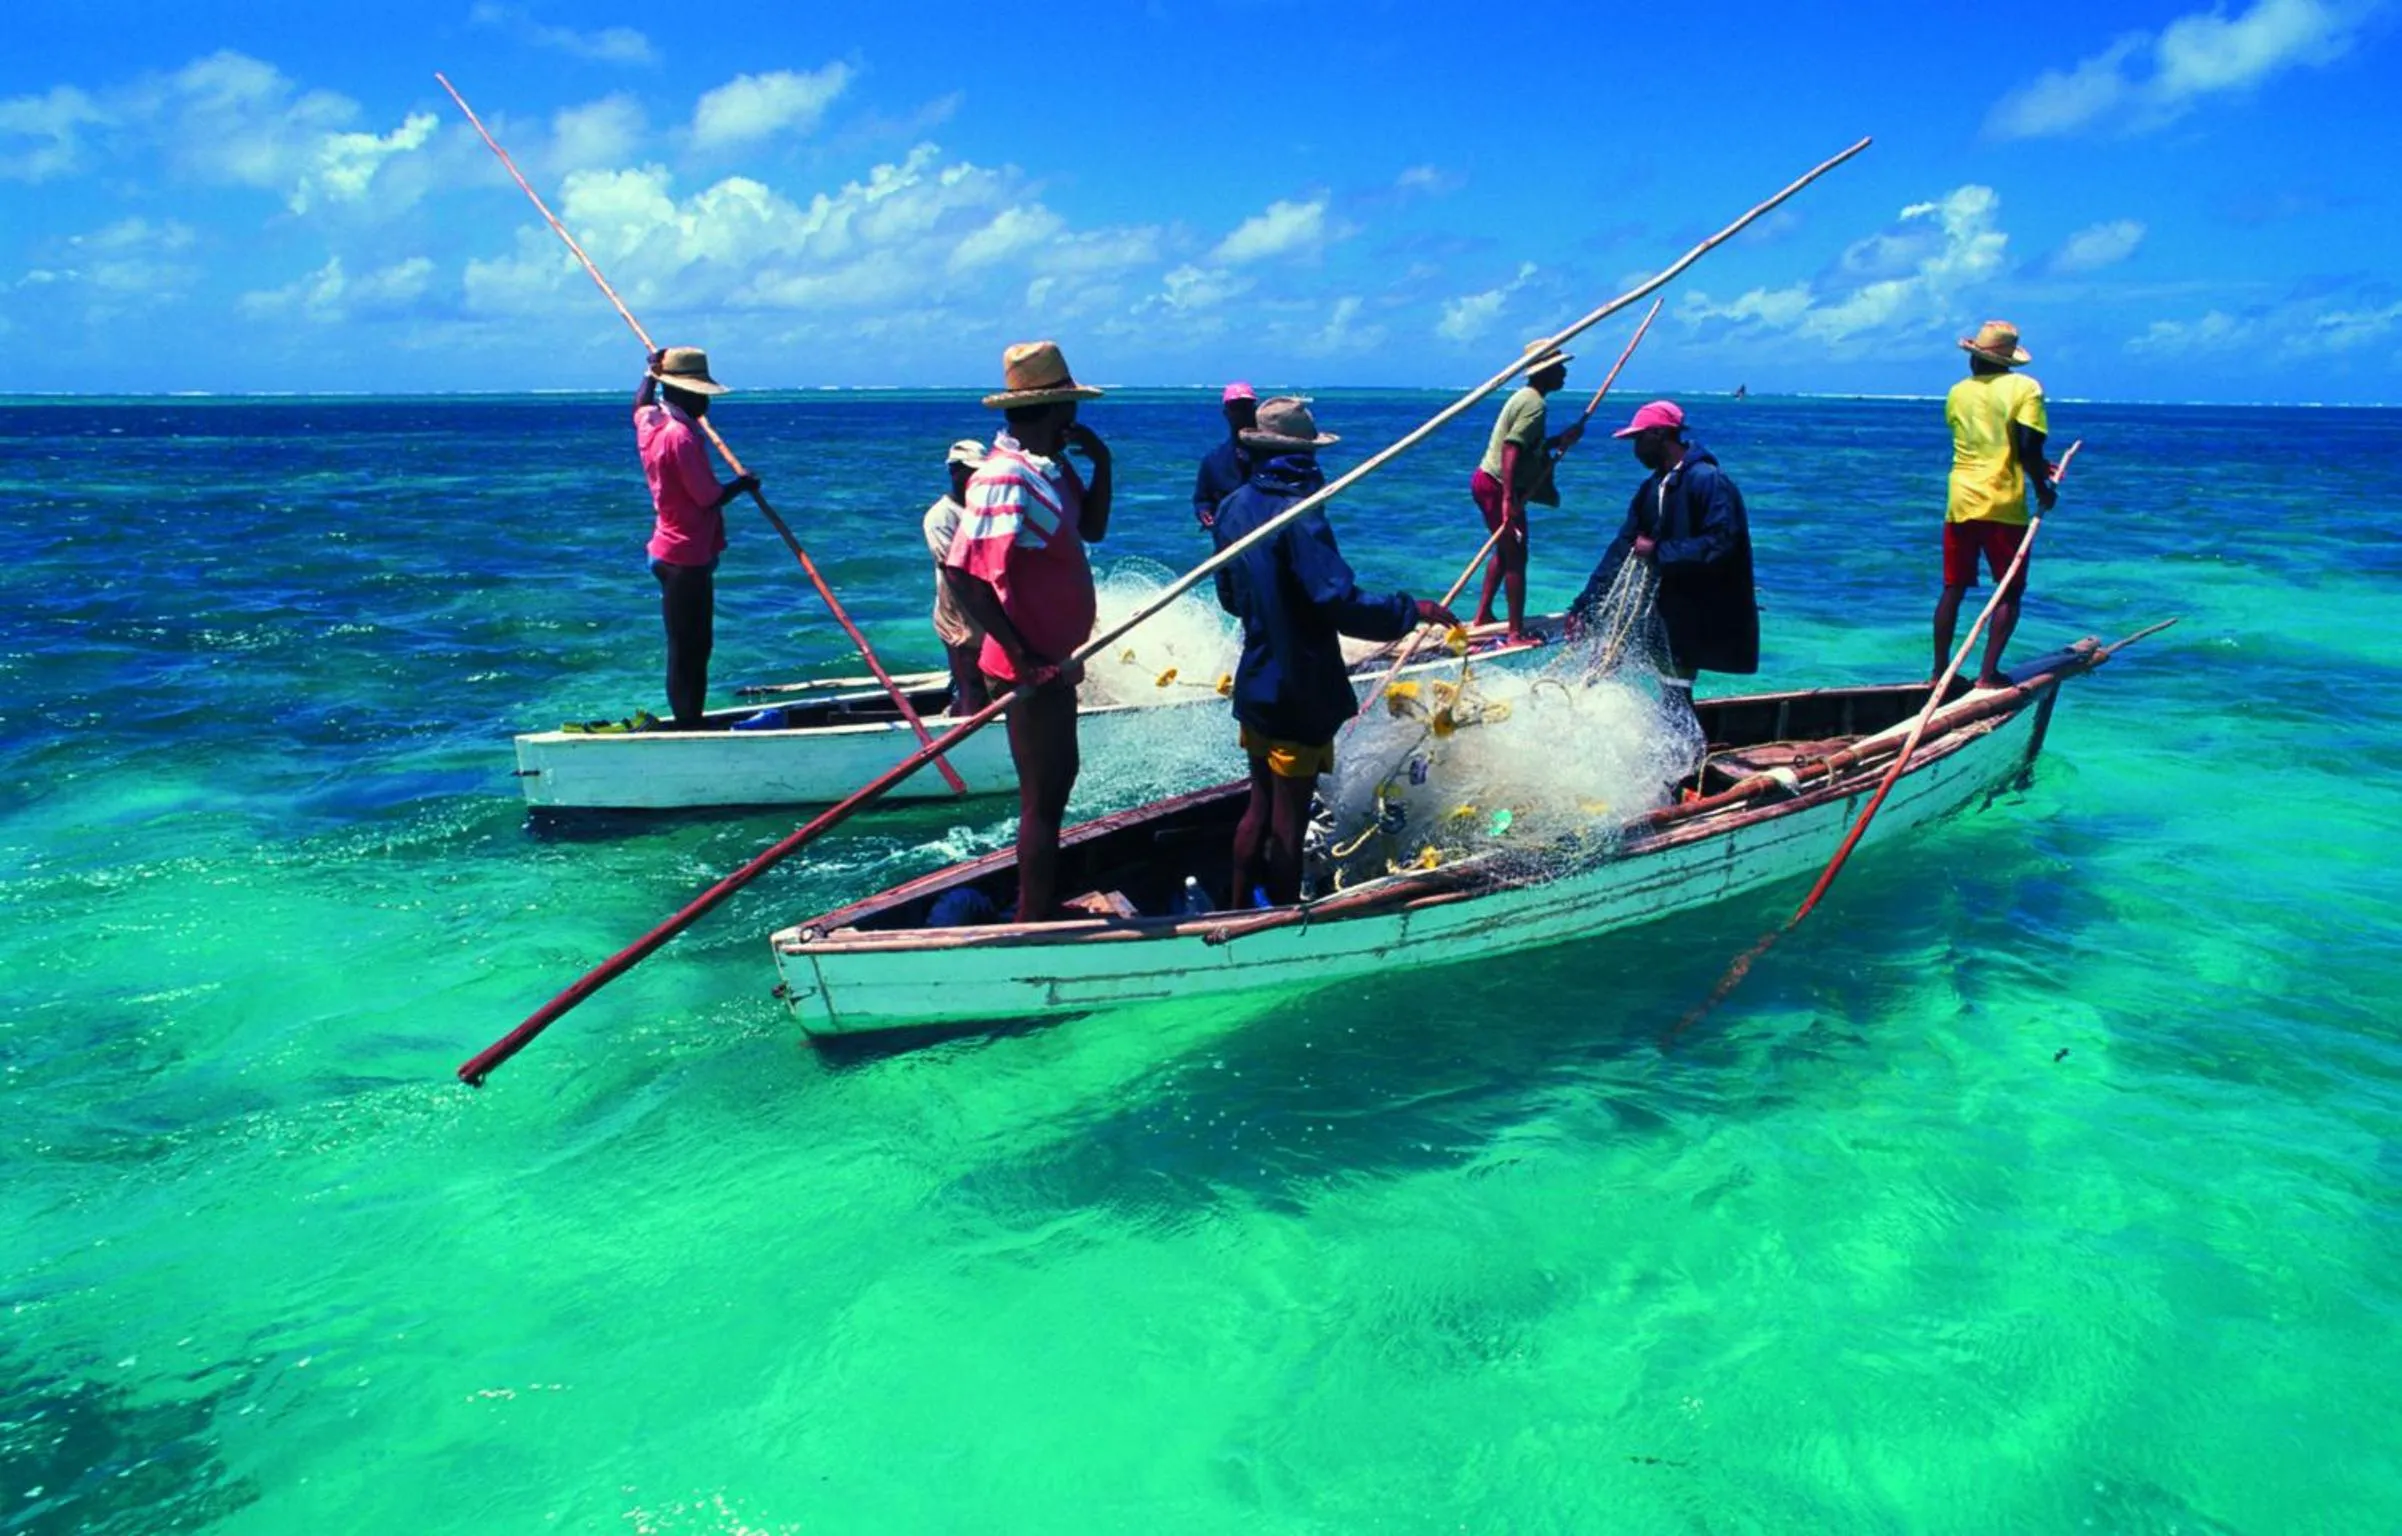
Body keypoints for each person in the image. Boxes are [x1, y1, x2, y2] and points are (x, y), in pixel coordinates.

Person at [1211, 396, 1457, 908]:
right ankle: (1278, 920)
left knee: (1257, 804)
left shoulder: (1233, 505)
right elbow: (1338, 601)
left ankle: (1236, 905)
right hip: (1297, 689)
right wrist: (1412, 609)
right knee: (1288, 819)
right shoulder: (1297, 514)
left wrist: (1272, 615)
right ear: (1303, 460)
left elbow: (1231, 596)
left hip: (1255, 679)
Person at [942, 340, 1113, 922]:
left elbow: (1092, 529)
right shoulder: (1002, 477)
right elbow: (965, 575)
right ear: (1058, 411)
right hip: (1028, 665)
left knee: (1058, 785)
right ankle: (1032, 919)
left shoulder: (1051, 471)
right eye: (1069, 407)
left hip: (1050, 660)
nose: (1075, 419)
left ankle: (1037, 901)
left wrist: (1103, 464)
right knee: (1043, 797)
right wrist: (1024, 654)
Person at [1570, 400, 1758, 707]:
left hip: (1694, 610)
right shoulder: (1652, 486)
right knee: (1624, 671)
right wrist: (1585, 605)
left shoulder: (1709, 481)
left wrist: (1658, 551)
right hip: (1662, 607)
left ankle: (1687, 754)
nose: (1635, 449)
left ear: (1659, 435)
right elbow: (1622, 548)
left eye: (1639, 439)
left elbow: (1722, 544)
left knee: (1675, 690)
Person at [634, 346, 758, 730]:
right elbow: (707, 497)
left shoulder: (651, 421)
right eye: (699, 392)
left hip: (666, 548)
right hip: (685, 556)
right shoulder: (680, 436)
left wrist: (649, 374)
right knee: (692, 646)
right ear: (682, 392)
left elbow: (638, 405)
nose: (705, 400)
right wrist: (743, 485)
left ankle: (689, 719)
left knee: (685, 644)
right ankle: (689, 726)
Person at [1939, 320, 2057, 689]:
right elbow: (2026, 447)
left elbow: (1984, 441)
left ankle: (1940, 672)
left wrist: (2035, 465)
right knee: (2008, 590)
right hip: (2003, 502)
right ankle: (1987, 676)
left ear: (1976, 359)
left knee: (1953, 588)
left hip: (1960, 499)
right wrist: (2044, 486)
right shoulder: (2026, 388)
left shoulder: (1958, 392)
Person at [1470, 341, 1584, 640]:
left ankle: (1482, 616)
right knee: (1517, 556)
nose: (1564, 373)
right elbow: (1511, 448)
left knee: (1506, 551)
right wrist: (1508, 498)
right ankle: (1514, 633)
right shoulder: (1534, 403)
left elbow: (1527, 449)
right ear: (1544, 371)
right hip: (1496, 484)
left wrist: (1559, 441)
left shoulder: (1527, 398)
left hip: (1489, 481)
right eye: (1559, 368)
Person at [922, 438, 990, 716]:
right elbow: (956, 574)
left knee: (992, 685)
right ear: (955, 472)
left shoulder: (983, 511)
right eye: (971, 472)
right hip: (960, 617)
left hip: (990, 613)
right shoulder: (941, 517)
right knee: (971, 688)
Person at [1191, 381, 1257, 529]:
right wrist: (1204, 511)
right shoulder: (1213, 461)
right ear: (1226, 413)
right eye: (1236, 408)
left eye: (1245, 407)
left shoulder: (1274, 453)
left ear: (1254, 410)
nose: (1241, 413)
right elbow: (1202, 499)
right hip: (1230, 534)